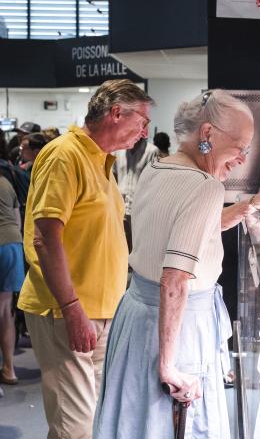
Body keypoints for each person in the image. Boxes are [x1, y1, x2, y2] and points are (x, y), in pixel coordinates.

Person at [92, 90, 260, 438]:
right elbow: (175, 280)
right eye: (239, 146)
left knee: (136, 423)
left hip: (138, 316)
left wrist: (257, 202)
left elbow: (201, 228)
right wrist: (168, 366)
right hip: (178, 328)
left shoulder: (158, 167)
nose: (242, 158)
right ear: (207, 134)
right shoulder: (204, 186)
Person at [17, 79, 153, 438]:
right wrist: (72, 305)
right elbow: (45, 238)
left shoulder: (101, 161)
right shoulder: (65, 155)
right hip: (67, 311)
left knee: (88, 424)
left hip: (101, 313)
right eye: (141, 121)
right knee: (75, 427)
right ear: (115, 113)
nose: (145, 132)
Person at [0, 135, 23, 389]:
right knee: (5, 312)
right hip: (12, 246)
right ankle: (9, 368)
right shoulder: (6, 182)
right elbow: (17, 221)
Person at [114, 137, 158, 252]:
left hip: (140, 207)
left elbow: (154, 181)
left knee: (137, 247)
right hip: (119, 206)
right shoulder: (118, 150)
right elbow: (112, 176)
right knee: (120, 245)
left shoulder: (151, 151)